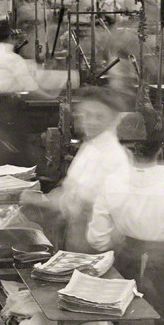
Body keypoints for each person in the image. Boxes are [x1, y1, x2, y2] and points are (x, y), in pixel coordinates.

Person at [86, 109, 164, 325]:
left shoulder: (112, 181)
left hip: (125, 267)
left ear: (125, 147)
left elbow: (97, 240)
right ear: (160, 147)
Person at [55, 86, 132, 251]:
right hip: (76, 233)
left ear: (113, 119)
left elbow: (104, 208)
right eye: (87, 115)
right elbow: (73, 189)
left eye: (99, 116)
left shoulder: (113, 156)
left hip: (94, 240)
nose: (91, 122)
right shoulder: (90, 145)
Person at [0, 20, 41, 93]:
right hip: (11, 101)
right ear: (10, 36)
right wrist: (51, 97)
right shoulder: (13, 59)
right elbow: (30, 87)